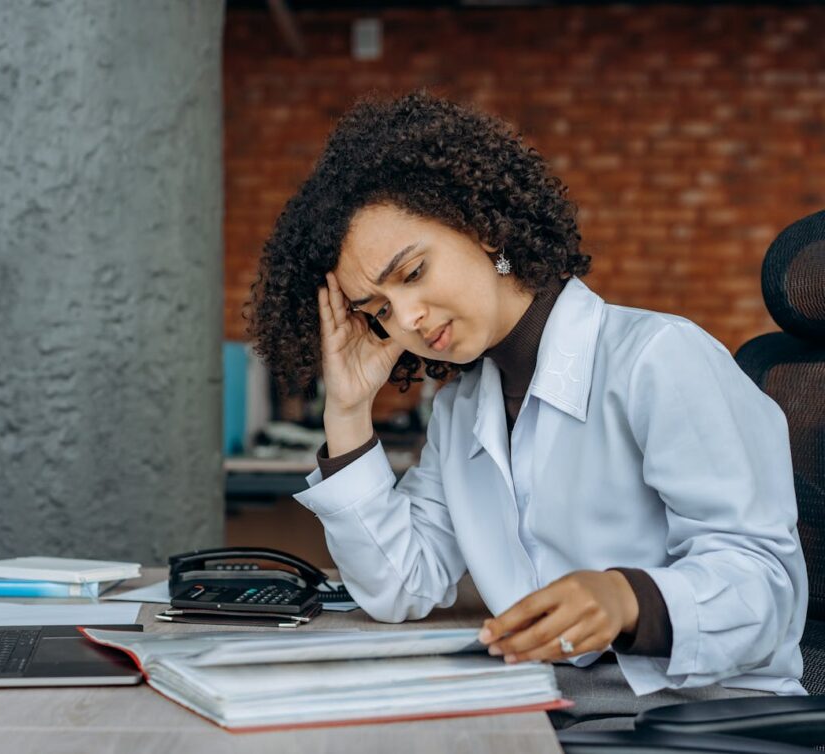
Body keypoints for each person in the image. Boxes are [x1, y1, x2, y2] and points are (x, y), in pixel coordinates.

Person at [244, 91, 807, 730]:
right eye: (377, 310)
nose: (405, 319)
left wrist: (628, 599)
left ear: (482, 227)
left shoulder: (657, 358)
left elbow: (767, 586)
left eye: (413, 273)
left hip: (705, 720)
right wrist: (346, 412)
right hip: (553, 713)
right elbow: (402, 587)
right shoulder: (463, 408)